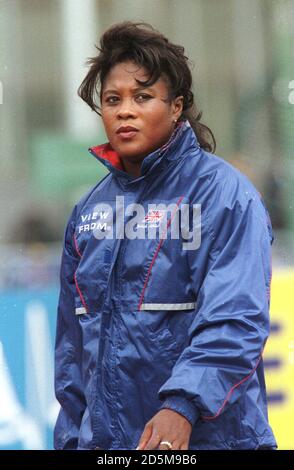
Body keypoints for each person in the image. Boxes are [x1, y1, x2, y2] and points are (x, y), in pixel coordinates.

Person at [54, 21, 277, 450]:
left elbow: (236, 319)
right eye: (112, 99)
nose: (124, 110)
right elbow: (72, 354)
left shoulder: (224, 196)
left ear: (176, 107)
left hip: (207, 439)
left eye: (142, 97)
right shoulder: (88, 213)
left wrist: (183, 406)